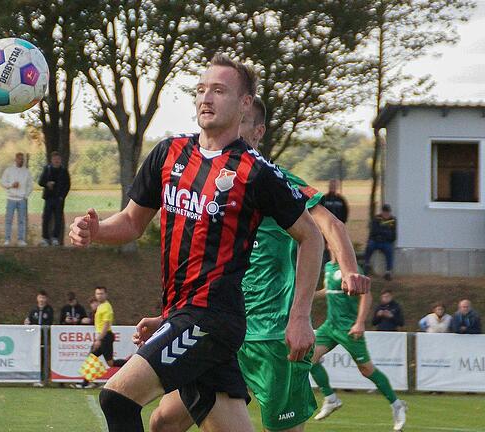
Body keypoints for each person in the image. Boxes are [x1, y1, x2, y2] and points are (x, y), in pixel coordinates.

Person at [70, 53, 330, 432]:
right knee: (165, 426)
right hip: (185, 316)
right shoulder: (168, 153)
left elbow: (312, 236)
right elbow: (130, 222)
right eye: (201, 90)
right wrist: (96, 232)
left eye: (219, 90)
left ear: (244, 104)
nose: (206, 98)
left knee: (117, 398)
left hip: (212, 319)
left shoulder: (256, 173)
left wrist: (301, 316)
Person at [149, 98, 370, 432]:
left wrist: (349, 269)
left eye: (239, 124)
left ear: (257, 132)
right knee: (163, 421)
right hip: (220, 328)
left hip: (272, 335)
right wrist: (171, 317)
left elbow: (329, 224)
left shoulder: (274, 180)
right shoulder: (209, 183)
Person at [309, 244, 407, 431]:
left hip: (348, 327)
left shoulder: (352, 269)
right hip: (330, 326)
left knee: (366, 370)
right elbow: (327, 291)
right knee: (309, 359)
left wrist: (360, 322)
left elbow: (366, 296)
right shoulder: (329, 267)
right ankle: (331, 399)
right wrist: (307, 295)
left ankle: (397, 404)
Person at [74, 286, 127, 388]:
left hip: (105, 336)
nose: (99, 295)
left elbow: (106, 325)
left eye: (101, 293)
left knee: (108, 362)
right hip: (103, 336)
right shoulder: (101, 306)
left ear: (106, 295)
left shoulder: (107, 307)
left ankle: (132, 365)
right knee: (96, 358)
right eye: (97, 294)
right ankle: (85, 383)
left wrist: (99, 339)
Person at [1, 152, 33, 246]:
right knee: (8, 220)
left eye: (22, 159)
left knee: (21, 220)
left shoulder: (26, 172)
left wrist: (25, 196)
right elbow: (3, 182)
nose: (21, 161)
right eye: (19, 159)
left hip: (21, 199)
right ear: (15, 159)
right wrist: (11, 186)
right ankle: (7, 239)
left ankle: (21, 240)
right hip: (11, 198)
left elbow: (30, 185)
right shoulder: (9, 170)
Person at [38, 151, 70, 246]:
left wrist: (62, 196)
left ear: (60, 160)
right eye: (55, 159)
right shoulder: (47, 169)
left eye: (58, 159)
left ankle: (55, 238)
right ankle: (45, 238)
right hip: (48, 198)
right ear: (51, 160)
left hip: (59, 199)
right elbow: (40, 182)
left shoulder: (64, 171)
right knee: (46, 218)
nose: (57, 161)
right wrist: (47, 183)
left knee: (58, 219)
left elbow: (67, 185)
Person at [364, 204, 397, 280]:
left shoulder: (393, 220)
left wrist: (383, 233)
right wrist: (385, 232)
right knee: (370, 246)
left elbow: (393, 234)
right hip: (376, 241)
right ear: (382, 212)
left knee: (389, 251)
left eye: (388, 212)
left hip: (386, 242)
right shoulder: (377, 219)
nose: (386, 214)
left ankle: (388, 272)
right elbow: (374, 231)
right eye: (385, 212)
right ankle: (366, 264)